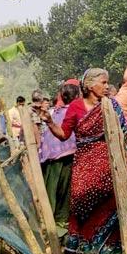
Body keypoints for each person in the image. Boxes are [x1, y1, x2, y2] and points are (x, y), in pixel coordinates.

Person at [40, 68, 127, 254]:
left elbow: (124, 131)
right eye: (103, 83)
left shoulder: (112, 105)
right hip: (84, 162)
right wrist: (48, 121)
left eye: (108, 83)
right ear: (89, 86)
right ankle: (83, 247)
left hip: (108, 162)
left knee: (108, 202)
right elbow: (64, 134)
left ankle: (106, 250)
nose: (107, 87)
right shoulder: (75, 107)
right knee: (81, 200)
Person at [40, 82, 80, 225]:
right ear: (77, 96)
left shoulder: (55, 112)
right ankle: (61, 223)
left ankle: (49, 223)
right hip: (66, 156)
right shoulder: (74, 112)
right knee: (64, 193)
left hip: (49, 156)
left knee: (51, 192)